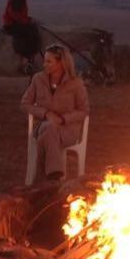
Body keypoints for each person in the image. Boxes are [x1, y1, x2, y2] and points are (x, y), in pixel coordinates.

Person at [20, 44, 89, 182]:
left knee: (48, 132)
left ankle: (41, 180)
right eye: (44, 60)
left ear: (61, 63)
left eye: (48, 61)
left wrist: (63, 119)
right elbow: (24, 104)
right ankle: (54, 177)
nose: (44, 64)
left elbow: (84, 110)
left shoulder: (75, 83)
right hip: (45, 125)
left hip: (67, 130)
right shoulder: (38, 79)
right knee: (49, 128)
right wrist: (45, 113)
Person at [2, 0, 40, 74]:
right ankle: (27, 62)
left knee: (33, 27)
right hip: (11, 23)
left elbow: (18, 11)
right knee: (32, 33)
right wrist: (27, 21)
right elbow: (13, 12)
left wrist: (28, 19)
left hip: (13, 21)